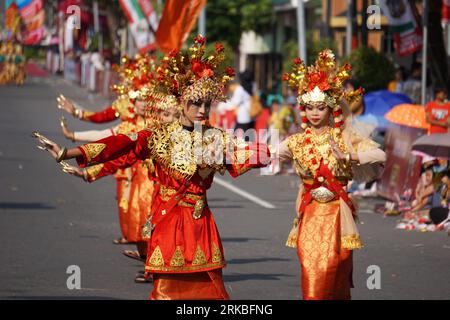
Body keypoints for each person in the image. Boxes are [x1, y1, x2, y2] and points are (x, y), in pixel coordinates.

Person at [33, 35, 271, 300]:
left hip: (200, 222)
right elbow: (119, 146)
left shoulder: (216, 137)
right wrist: (69, 152)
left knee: (211, 291)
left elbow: (249, 153)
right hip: (168, 220)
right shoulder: (157, 136)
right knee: (166, 290)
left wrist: (271, 151)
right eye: (195, 103)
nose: (202, 109)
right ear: (181, 101)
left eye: (207, 103)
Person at [278, 49, 386, 300]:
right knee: (311, 270)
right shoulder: (296, 141)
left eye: (320, 107)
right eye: (310, 107)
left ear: (330, 109)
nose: (315, 113)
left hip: (337, 215)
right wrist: (224, 150)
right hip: (309, 214)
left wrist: (349, 157)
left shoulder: (344, 138)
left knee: (333, 271)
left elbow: (381, 156)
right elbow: (267, 154)